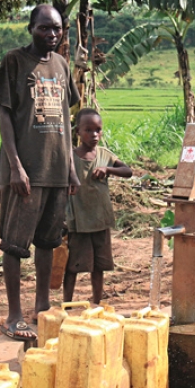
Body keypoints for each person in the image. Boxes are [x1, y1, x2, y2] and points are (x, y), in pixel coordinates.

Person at [0, 4, 80, 341]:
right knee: (15, 245)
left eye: (56, 28)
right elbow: (4, 114)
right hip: (25, 171)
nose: (51, 34)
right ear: (31, 28)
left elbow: (66, 121)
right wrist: (15, 166)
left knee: (48, 242)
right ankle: (14, 315)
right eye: (44, 28)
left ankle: (42, 305)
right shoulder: (15, 61)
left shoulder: (61, 65)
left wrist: (71, 168)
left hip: (56, 170)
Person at [62, 108, 132, 304]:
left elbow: (127, 171)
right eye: (88, 130)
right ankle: (67, 303)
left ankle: (97, 302)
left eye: (98, 130)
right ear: (78, 132)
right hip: (78, 220)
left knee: (99, 266)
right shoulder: (70, 157)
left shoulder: (104, 155)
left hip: (100, 220)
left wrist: (108, 169)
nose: (94, 134)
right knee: (72, 266)